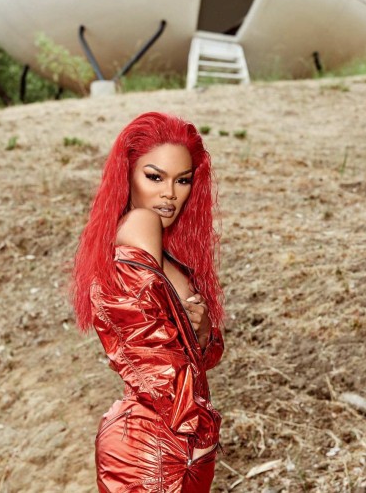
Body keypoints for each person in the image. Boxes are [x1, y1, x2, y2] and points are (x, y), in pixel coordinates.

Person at [70, 112, 225, 492]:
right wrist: (201, 429)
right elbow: (153, 358)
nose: (170, 193)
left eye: (182, 180)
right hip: (153, 449)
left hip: (170, 442)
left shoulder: (162, 252)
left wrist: (203, 329)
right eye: (155, 177)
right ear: (127, 175)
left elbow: (195, 357)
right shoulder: (142, 224)